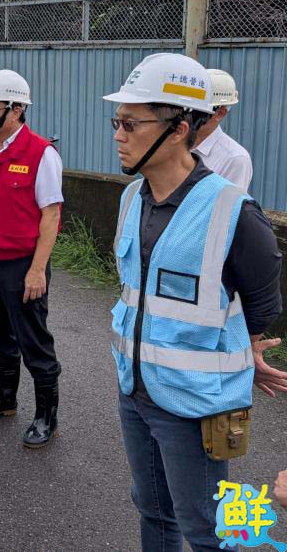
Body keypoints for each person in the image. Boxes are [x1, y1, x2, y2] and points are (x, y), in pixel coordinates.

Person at [104, 52, 286, 551]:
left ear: (179, 128)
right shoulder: (130, 198)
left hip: (195, 402)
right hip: (135, 390)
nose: (118, 134)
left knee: (209, 525)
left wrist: (244, 351)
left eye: (130, 123)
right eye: (116, 121)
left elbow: (261, 304)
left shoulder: (234, 211)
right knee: (153, 510)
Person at [0, 69, 63, 449]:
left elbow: (51, 215)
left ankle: (46, 417)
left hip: (23, 265)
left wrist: (38, 269)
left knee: (33, 339)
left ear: (17, 109)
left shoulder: (41, 154)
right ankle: (3, 398)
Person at [193, 68, 253, 189]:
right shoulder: (172, 141)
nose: (187, 113)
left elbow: (228, 206)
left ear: (220, 113)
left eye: (196, 109)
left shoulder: (235, 159)